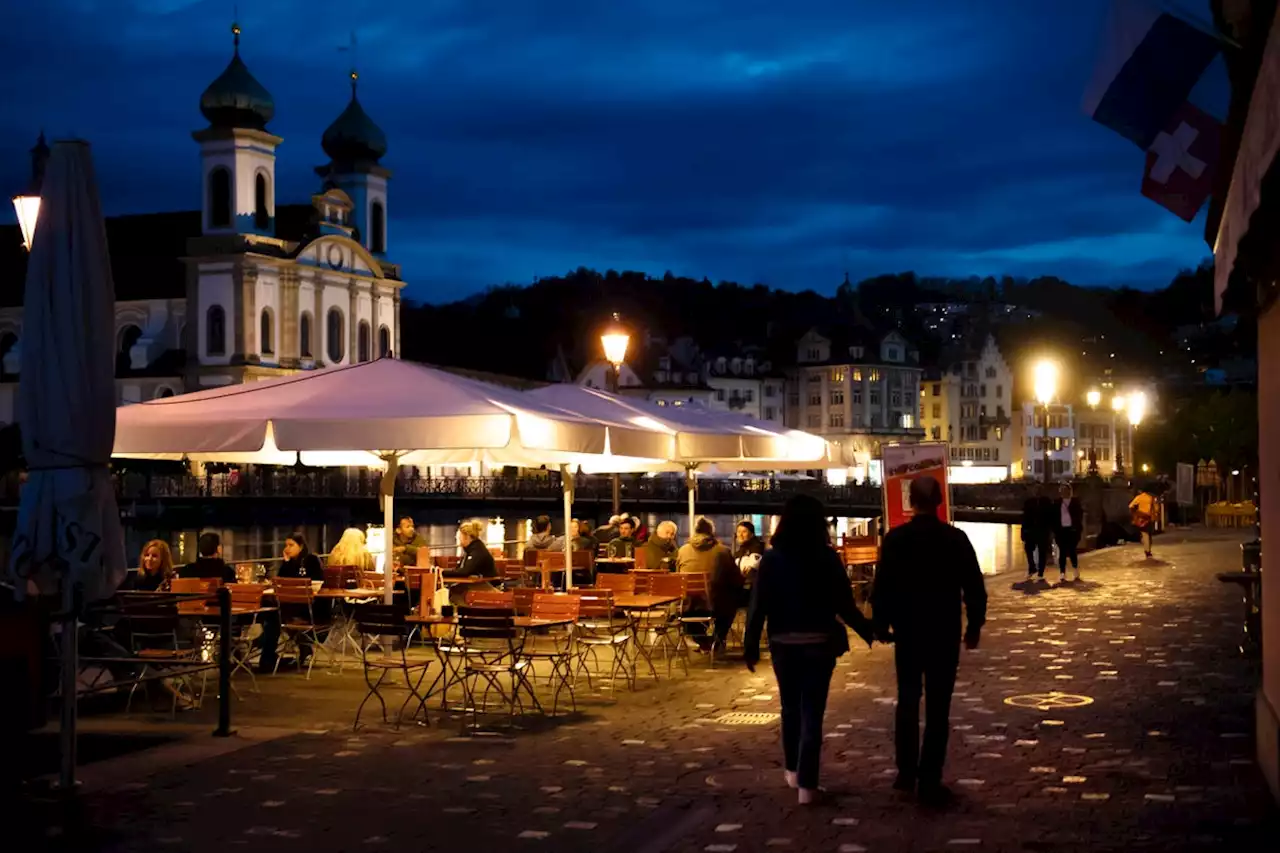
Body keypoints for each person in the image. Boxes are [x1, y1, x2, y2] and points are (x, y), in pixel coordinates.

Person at [744, 495, 874, 805]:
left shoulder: (772, 559)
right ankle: (808, 785)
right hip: (818, 641)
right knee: (812, 712)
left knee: (789, 707)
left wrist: (750, 645)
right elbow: (845, 604)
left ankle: (791, 770)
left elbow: (758, 604)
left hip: (783, 643)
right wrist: (870, 630)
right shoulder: (826, 557)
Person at [872, 476, 987, 807]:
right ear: (938, 502)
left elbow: (884, 587)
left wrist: (881, 623)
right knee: (939, 707)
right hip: (943, 630)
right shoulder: (955, 539)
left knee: (907, 700)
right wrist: (974, 624)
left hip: (908, 630)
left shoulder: (896, 540)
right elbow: (974, 586)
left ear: (911, 501)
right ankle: (930, 777)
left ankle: (905, 773)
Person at [677, 516, 741, 651]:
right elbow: (736, 578)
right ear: (711, 532)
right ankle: (716, 639)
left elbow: (678, 577)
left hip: (687, 605)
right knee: (730, 602)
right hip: (713, 604)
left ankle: (702, 641)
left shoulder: (682, 550)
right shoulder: (722, 551)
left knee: (696, 603)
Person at [445, 520, 499, 605]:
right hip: (477, 583)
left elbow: (465, 571)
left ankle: (464, 612)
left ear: (467, 536)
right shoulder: (469, 550)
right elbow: (459, 569)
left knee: (456, 592)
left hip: (487, 585)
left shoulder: (477, 551)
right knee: (454, 590)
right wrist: (443, 571)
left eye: (460, 536)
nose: (458, 538)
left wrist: (442, 572)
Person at [1020, 484, 1053, 579]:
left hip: (1043, 530)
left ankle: (1041, 572)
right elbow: (1025, 517)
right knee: (1028, 549)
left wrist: (1051, 531)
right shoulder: (1028, 502)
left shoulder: (1046, 501)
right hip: (1031, 530)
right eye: (1035, 489)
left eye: (1039, 489)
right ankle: (1032, 567)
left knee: (1042, 552)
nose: (1037, 491)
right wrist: (1023, 531)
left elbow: (1050, 516)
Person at [1053, 483, 1084, 581]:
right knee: (1062, 551)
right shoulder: (1057, 503)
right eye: (1061, 490)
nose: (1063, 492)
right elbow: (1053, 516)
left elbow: (1079, 516)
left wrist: (1077, 528)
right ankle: (1062, 572)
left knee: (1072, 550)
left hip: (1072, 530)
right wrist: (1054, 529)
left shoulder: (1075, 502)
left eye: (1065, 490)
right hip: (1061, 530)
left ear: (1069, 491)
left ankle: (1075, 569)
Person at [1129, 486, 1157, 559]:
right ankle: (1148, 550)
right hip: (1149, 518)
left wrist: (1136, 512)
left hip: (1141, 518)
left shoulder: (1139, 497)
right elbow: (1156, 509)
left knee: (1145, 534)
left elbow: (1131, 506)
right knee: (1149, 535)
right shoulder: (1152, 498)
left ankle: (1147, 551)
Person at [734, 520, 766, 585]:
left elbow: (750, 571)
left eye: (744, 531)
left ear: (751, 534)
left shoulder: (757, 548)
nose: (740, 535)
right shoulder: (740, 551)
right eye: (739, 531)